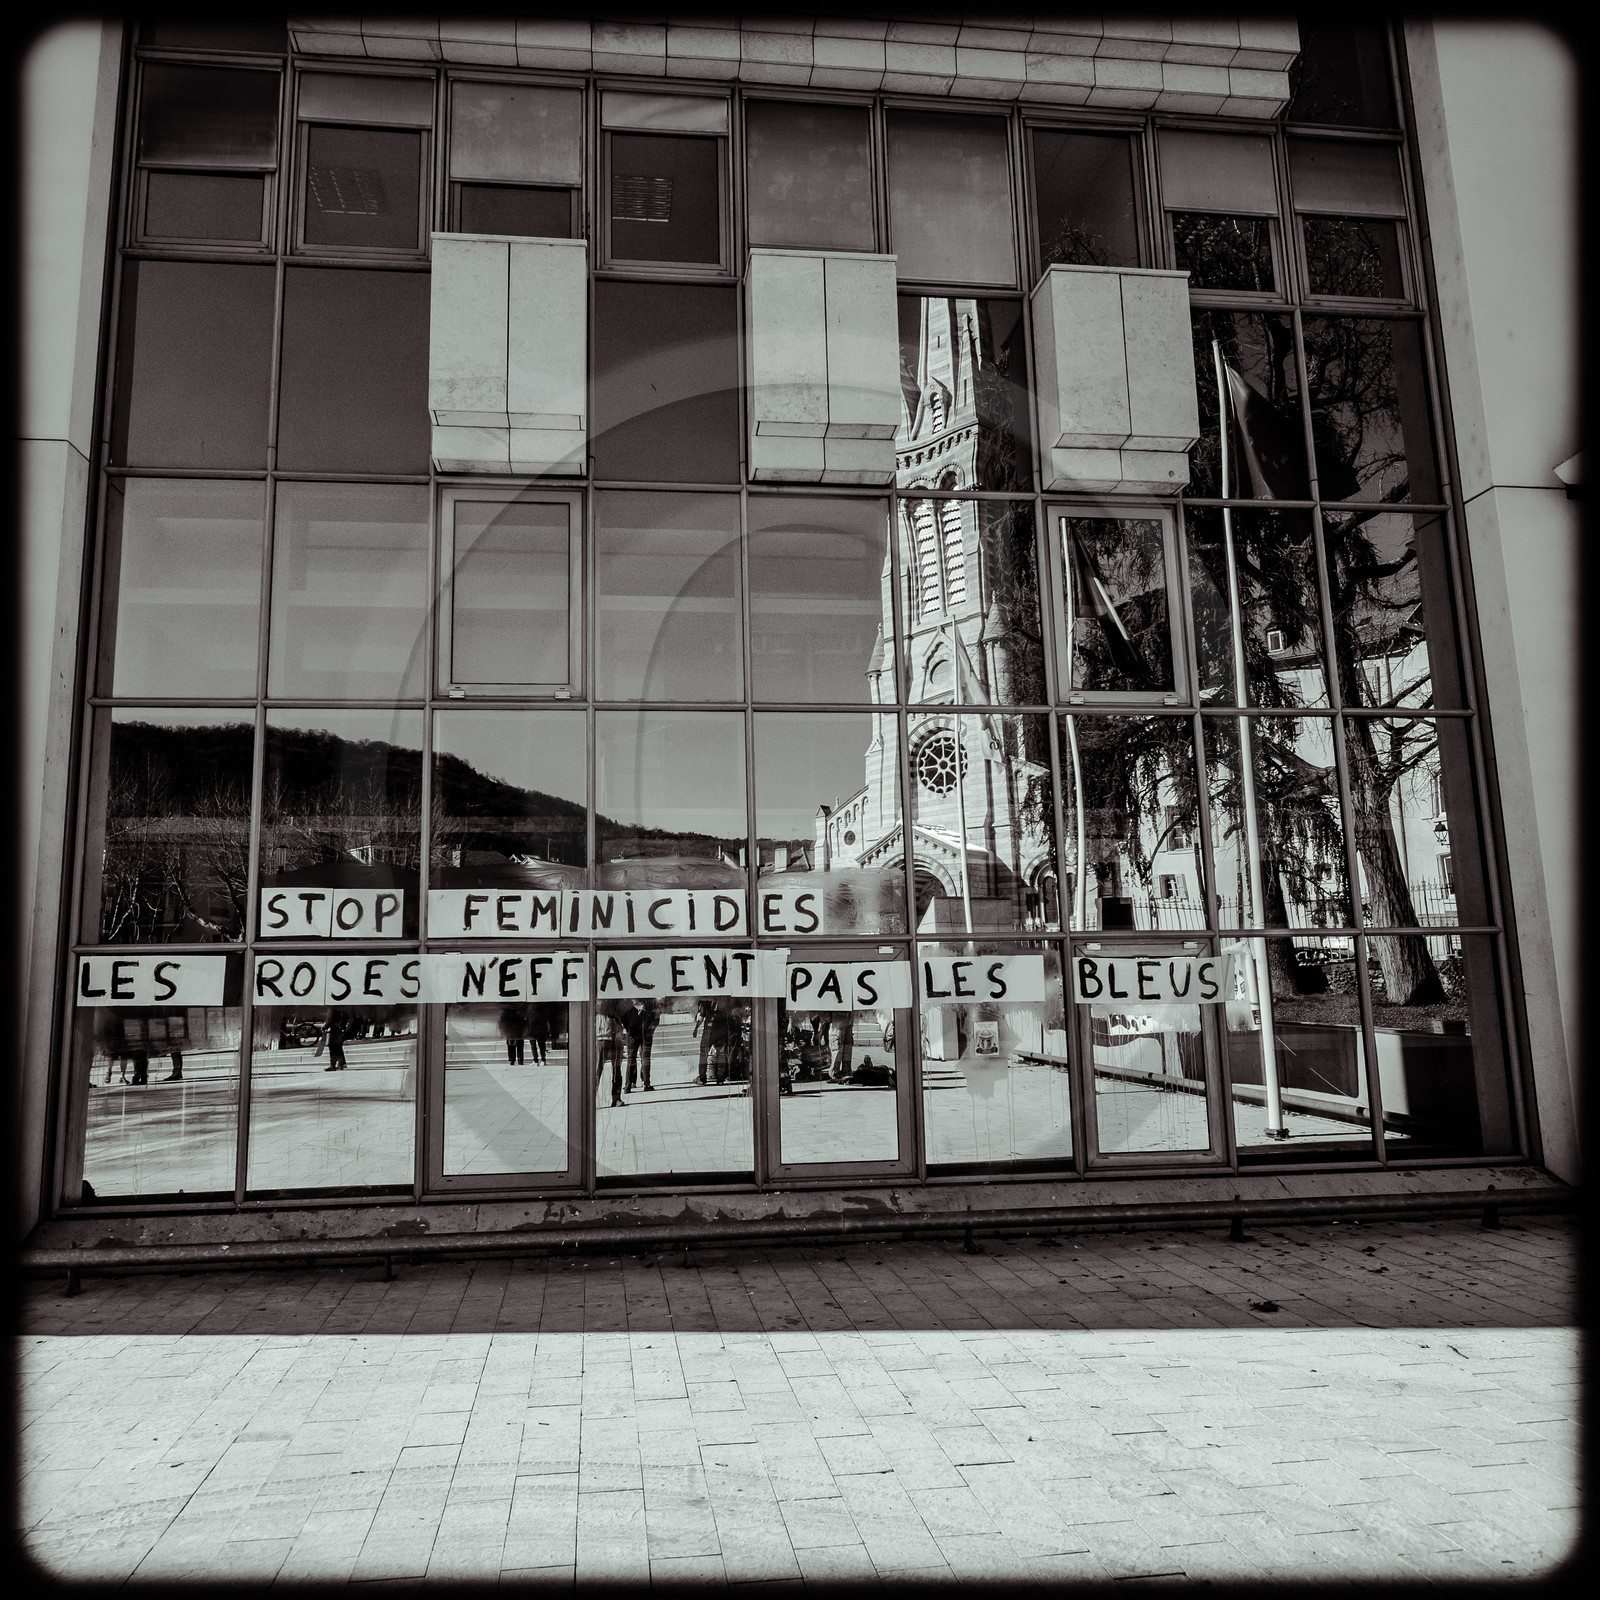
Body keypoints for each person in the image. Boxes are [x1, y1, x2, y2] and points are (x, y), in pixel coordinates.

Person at [595, 1000, 625, 1106]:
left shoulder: (617, 1004)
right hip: (601, 1039)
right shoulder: (600, 1004)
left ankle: (616, 1098)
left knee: (617, 1070)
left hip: (615, 1039)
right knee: (597, 1070)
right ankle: (591, 1098)